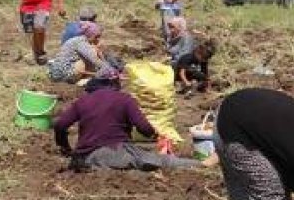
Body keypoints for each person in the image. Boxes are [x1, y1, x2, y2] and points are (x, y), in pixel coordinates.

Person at [53, 67, 198, 171]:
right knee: (158, 160)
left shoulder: (83, 101)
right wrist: (155, 135)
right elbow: (143, 127)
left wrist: (66, 147)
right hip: (113, 153)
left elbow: (60, 125)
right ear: (113, 82)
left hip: (84, 157)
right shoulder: (124, 99)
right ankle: (201, 164)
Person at [47, 21, 113, 83]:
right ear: (89, 35)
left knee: (92, 55)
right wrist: (109, 69)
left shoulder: (78, 40)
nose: (98, 39)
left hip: (57, 73)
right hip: (64, 73)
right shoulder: (81, 43)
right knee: (88, 58)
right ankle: (86, 80)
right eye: (96, 37)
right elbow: (94, 59)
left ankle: (86, 78)